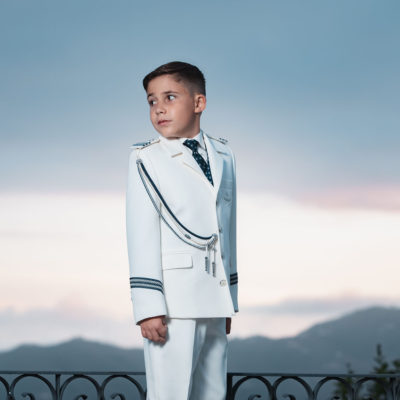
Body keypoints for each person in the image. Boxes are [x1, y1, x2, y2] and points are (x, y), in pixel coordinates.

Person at [126, 61, 239, 400]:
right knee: (169, 394)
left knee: (212, 393)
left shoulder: (224, 154)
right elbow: (141, 234)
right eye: (151, 101)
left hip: (214, 298)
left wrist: (229, 299)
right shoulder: (146, 158)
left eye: (170, 97)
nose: (159, 108)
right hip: (172, 303)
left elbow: (228, 229)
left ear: (199, 102)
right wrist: (148, 307)